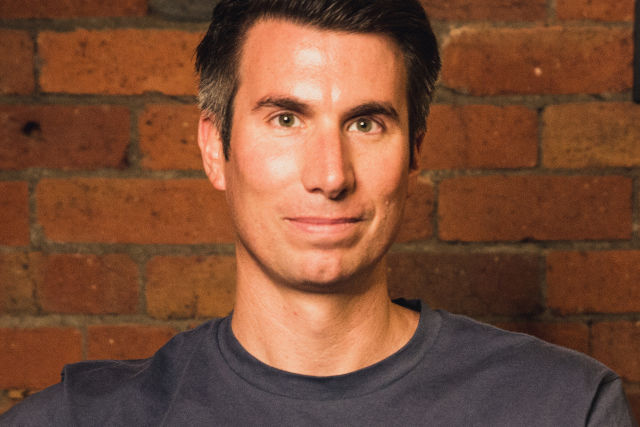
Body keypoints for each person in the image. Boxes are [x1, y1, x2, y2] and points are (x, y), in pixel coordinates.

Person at [1, 0, 637, 425]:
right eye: (286, 119)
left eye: (366, 123)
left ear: (414, 153)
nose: (330, 176)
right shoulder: (79, 419)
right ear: (215, 149)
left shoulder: (562, 407)